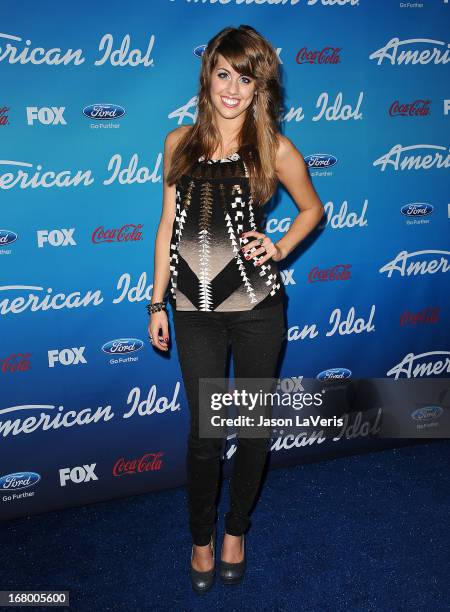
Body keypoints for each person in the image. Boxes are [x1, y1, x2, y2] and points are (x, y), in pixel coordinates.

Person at [148, 25, 324, 593]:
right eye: (224, 74)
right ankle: (200, 536)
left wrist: (279, 247)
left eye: (245, 78)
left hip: (256, 307)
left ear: (259, 86)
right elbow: (166, 226)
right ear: (209, 77)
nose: (233, 88)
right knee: (204, 433)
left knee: (249, 430)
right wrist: (155, 303)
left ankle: (236, 531)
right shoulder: (178, 142)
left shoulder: (272, 147)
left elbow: (311, 210)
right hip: (192, 307)